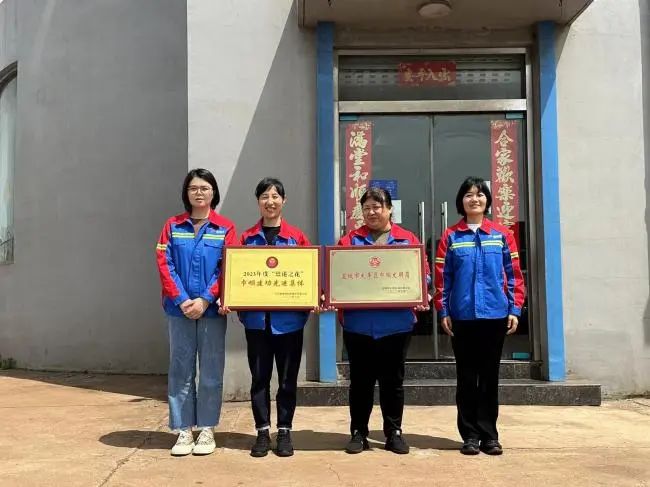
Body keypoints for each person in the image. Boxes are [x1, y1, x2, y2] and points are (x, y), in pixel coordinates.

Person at [434, 176, 525, 456]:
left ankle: (489, 435)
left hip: (495, 316)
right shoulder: (451, 236)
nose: (475, 199)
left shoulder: (502, 235)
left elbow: (514, 275)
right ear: (460, 201)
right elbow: (443, 278)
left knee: (489, 378)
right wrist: (443, 310)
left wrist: (515, 309)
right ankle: (470, 436)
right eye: (469, 195)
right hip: (462, 317)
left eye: (480, 194)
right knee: (466, 378)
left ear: (487, 200)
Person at [336, 187, 430, 455]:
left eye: (377, 207)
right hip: (359, 325)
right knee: (360, 383)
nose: (371, 212)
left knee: (393, 383)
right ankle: (358, 432)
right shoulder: (349, 241)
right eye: (366, 208)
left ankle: (394, 432)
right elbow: (336, 276)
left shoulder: (407, 240)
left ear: (389, 209)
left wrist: (422, 292)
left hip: (396, 325)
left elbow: (423, 275)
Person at [155, 168, 237, 456]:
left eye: (204, 188)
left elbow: (227, 267)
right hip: (179, 311)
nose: (199, 193)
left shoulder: (225, 228)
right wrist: (181, 300)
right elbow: (164, 263)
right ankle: (183, 430)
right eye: (193, 188)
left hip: (211, 312)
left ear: (213, 192)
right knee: (180, 369)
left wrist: (204, 299)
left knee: (211, 371)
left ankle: (207, 428)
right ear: (186, 193)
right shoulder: (172, 225)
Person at [235, 177, 312, 458]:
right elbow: (235, 276)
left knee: (288, 380)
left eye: (275, 196)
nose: (270, 201)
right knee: (259, 379)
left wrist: (314, 298)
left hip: (289, 323)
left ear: (284, 200)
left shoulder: (297, 238)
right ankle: (262, 431)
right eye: (265, 197)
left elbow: (310, 275)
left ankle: (284, 431)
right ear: (258, 202)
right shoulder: (246, 239)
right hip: (256, 323)